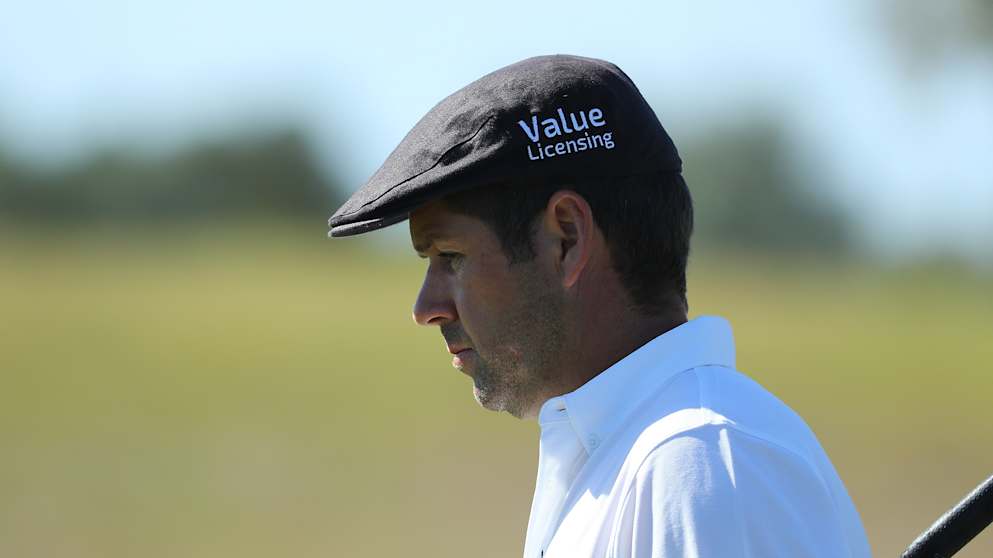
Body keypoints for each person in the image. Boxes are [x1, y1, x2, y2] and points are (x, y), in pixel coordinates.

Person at [328, 55, 872, 558]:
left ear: (566, 238)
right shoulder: (644, 457)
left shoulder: (700, 462)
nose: (427, 308)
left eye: (451, 256)